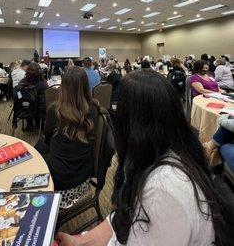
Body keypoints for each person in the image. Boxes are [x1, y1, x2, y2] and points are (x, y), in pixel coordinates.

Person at [56, 70, 234, 246]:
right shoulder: (160, 154)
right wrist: (80, 241)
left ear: (129, 122)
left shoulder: (163, 190)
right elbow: (123, 217)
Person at [36, 66, 98, 207]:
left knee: (38, 148)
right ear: (85, 85)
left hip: (57, 187)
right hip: (83, 179)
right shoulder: (94, 110)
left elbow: (46, 139)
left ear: (63, 86)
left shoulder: (54, 110)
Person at [15, 62, 48, 131]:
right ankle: (40, 124)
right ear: (39, 71)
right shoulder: (43, 83)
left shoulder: (22, 82)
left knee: (28, 103)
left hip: (24, 109)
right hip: (39, 111)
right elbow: (45, 99)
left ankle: (29, 124)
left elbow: (18, 95)